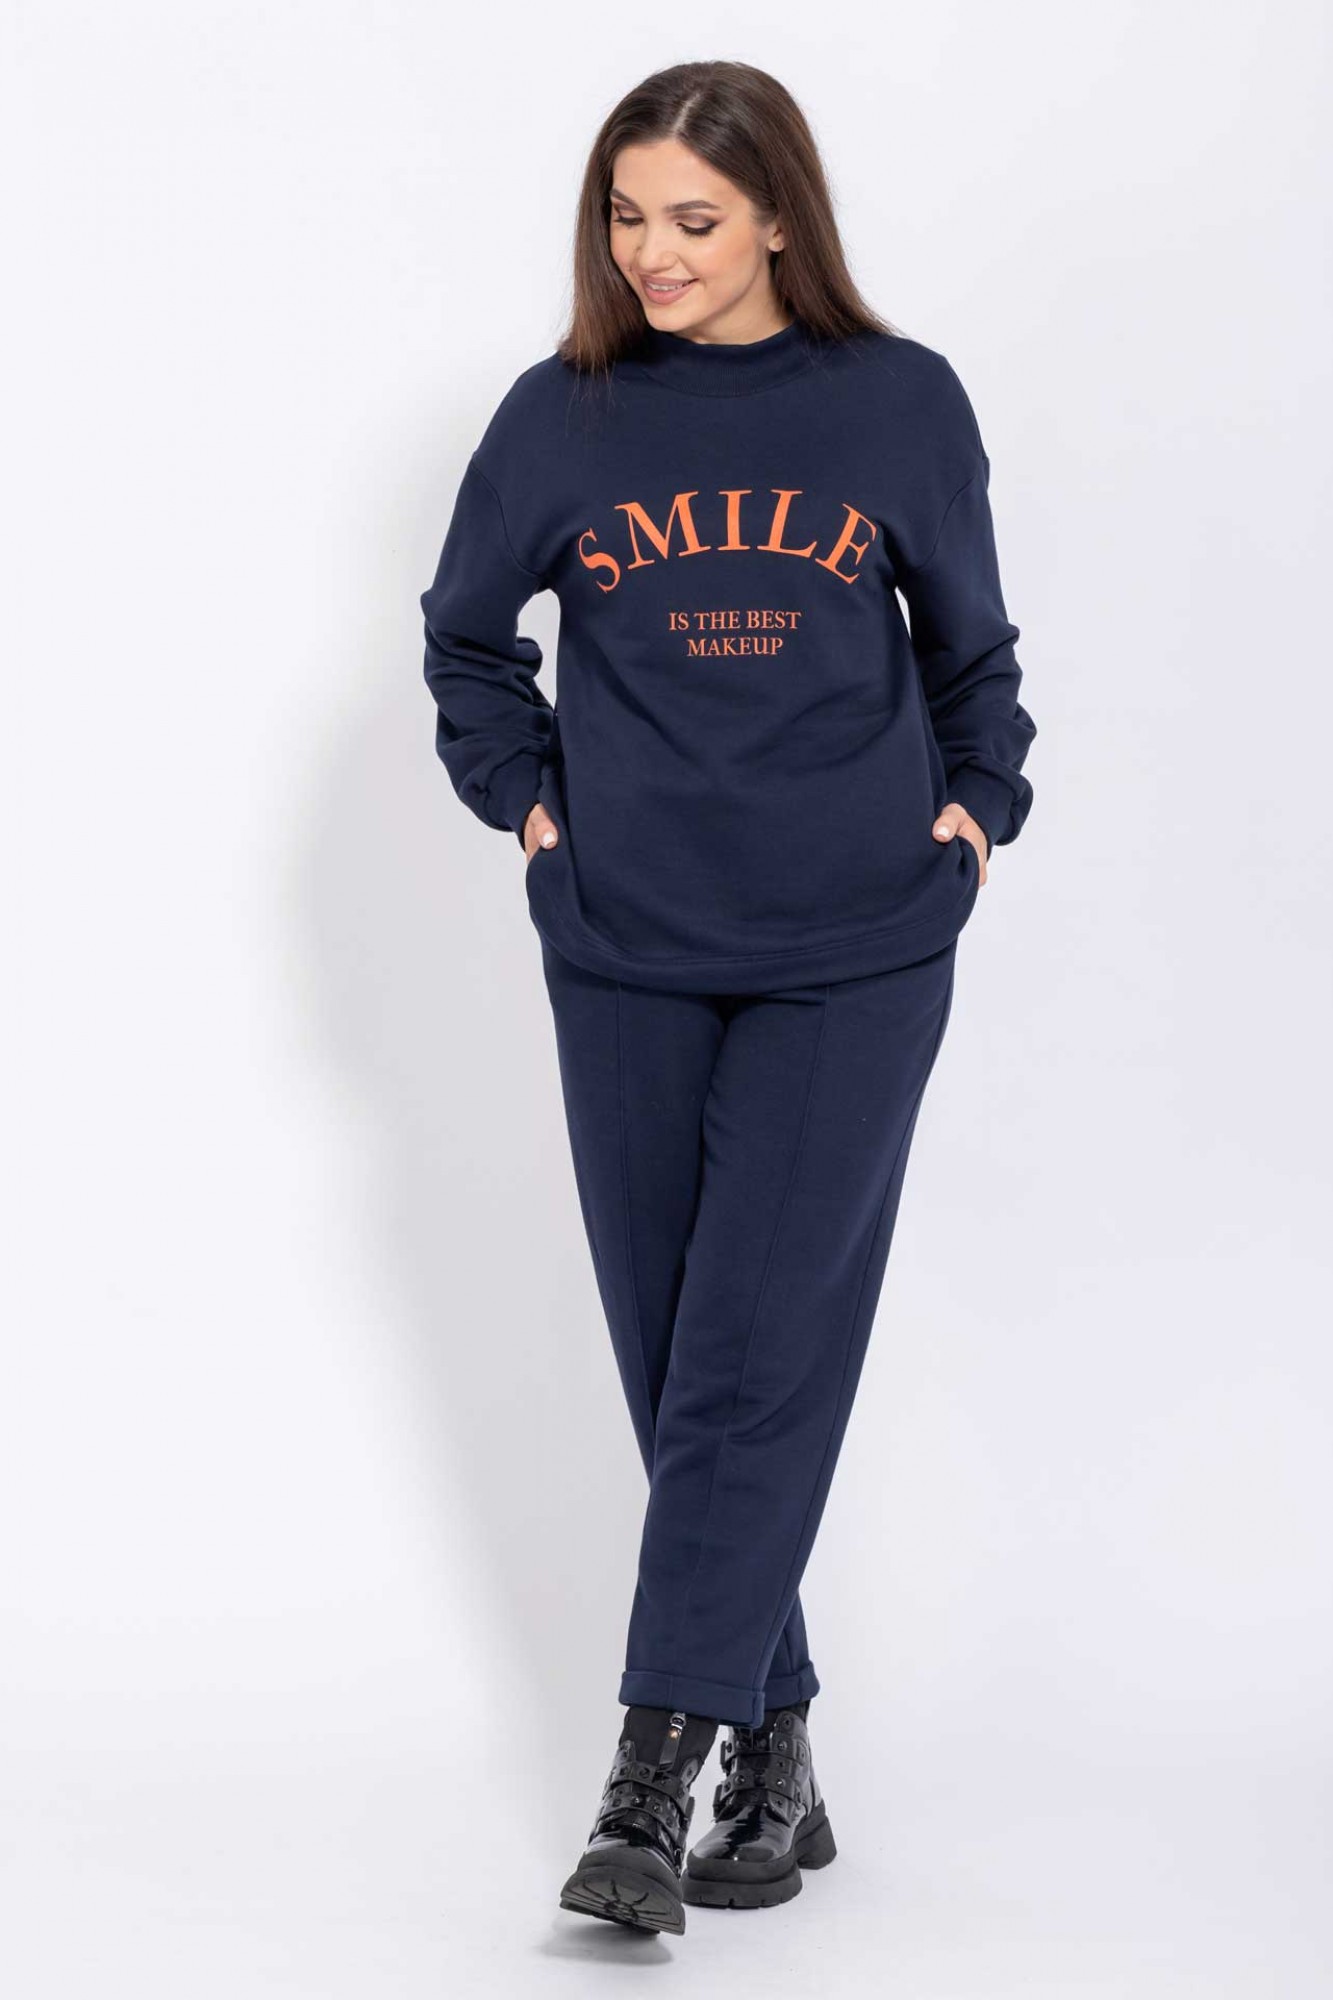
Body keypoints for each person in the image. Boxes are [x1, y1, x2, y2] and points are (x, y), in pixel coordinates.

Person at [418, 58, 1037, 1935]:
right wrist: (530, 808)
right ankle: (776, 1745)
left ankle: (646, 1782)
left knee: (753, 1356)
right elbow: (465, 644)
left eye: (692, 217)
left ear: (778, 215)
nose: (653, 253)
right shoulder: (560, 418)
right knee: (682, 1355)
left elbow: (975, 655)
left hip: (853, 947)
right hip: (625, 943)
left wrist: (974, 814)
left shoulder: (898, 402)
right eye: (625, 217)